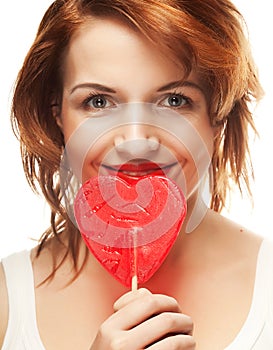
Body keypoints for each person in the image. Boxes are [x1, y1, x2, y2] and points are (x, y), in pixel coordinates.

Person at [0, 0, 271, 349]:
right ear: (57, 115)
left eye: (174, 101)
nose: (136, 141)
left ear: (217, 116)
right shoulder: (7, 303)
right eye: (99, 102)